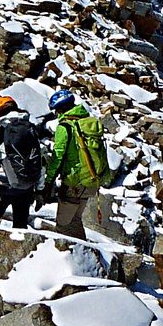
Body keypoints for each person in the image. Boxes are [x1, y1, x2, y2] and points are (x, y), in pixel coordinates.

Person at [44, 88, 109, 238]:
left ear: (60, 110)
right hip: (91, 181)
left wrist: (48, 181)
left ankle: (72, 258)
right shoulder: (87, 122)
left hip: (74, 183)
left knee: (63, 226)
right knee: (74, 220)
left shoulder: (65, 127)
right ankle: (86, 256)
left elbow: (57, 157)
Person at [0, 95, 44, 230]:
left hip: (3, 186)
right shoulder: (31, 128)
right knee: (20, 227)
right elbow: (39, 161)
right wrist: (40, 191)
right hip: (26, 187)